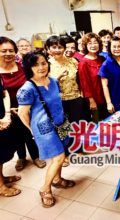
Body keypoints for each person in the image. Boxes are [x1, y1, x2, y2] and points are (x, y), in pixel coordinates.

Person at [17, 50, 75, 208]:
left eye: (43, 63)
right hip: (44, 130)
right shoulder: (27, 89)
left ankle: (57, 180)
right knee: (59, 158)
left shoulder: (53, 81)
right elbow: (23, 114)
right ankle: (45, 189)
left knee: (60, 155)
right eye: (36, 65)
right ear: (29, 68)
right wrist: (32, 130)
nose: (41, 67)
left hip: (60, 124)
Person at [0, 36, 45, 170]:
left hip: (27, 107)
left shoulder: (23, 67)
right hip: (7, 110)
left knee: (30, 132)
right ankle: (21, 157)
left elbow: (34, 83)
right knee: (16, 135)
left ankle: (36, 156)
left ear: (15, 52)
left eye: (11, 50)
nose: (8, 54)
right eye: (4, 51)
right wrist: (8, 110)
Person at [45, 36, 85, 165]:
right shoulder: (46, 64)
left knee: (76, 125)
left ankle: (77, 149)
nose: (57, 50)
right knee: (62, 127)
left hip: (75, 97)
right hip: (58, 101)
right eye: (54, 47)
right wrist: (57, 78)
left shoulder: (73, 61)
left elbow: (80, 79)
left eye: (60, 47)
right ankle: (64, 153)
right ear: (48, 49)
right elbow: (44, 84)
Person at [78, 33, 107, 122]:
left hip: (105, 96)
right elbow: (84, 84)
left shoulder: (102, 59)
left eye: (95, 42)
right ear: (85, 46)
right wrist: (91, 101)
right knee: (98, 123)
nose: (93, 45)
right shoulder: (83, 63)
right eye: (90, 43)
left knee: (108, 121)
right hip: (94, 99)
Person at [0, 77, 21, 197]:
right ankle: (1, 187)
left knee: (2, 151)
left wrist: (7, 114)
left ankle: (1, 178)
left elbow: (4, 93)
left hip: (3, 118)